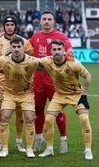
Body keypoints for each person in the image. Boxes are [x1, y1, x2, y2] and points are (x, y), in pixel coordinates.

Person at [0, 15, 34, 152]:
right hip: (2, 83)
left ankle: (19, 142)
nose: (9, 27)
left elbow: (32, 58)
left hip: (20, 84)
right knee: (0, 113)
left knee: (20, 113)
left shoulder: (24, 42)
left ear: (15, 26)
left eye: (12, 25)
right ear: (4, 27)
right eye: (7, 25)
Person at [38, 39, 93, 160]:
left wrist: (84, 92)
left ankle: (88, 150)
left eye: (59, 49)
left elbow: (88, 76)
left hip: (76, 94)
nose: (57, 52)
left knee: (84, 119)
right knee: (48, 120)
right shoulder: (47, 61)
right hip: (59, 95)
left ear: (64, 51)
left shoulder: (74, 63)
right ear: (51, 51)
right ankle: (49, 149)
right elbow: (32, 62)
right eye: (54, 49)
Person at [29, 10, 73, 153]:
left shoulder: (61, 37)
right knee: (38, 110)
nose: (47, 21)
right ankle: (39, 138)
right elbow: (25, 49)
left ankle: (63, 141)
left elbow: (70, 53)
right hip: (38, 80)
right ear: (40, 21)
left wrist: (69, 57)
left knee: (58, 111)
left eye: (49, 19)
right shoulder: (35, 36)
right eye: (44, 19)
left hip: (54, 80)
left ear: (53, 21)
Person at [0, 36, 39, 158]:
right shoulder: (3, 60)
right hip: (9, 94)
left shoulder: (32, 61)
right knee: (4, 117)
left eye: (19, 47)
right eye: (14, 47)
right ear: (10, 48)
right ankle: (4, 148)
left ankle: (29, 149)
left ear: (23, 48)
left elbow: (47, 64)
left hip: (26, 94)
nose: (17, 49)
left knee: (29, 118)